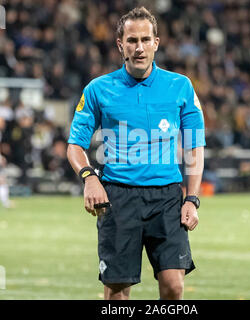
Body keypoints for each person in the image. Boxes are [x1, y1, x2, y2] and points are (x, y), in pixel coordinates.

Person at [67, 7, 205, 300]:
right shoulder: (98, 89)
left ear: (157, 42)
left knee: (174, 286)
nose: (139, 47)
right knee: (117, 292)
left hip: (167, 197)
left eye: (145, 39)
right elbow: (75, 145)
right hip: (117, 198)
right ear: (120, 45)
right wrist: (90, 178)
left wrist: (192, 199)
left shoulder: (180, 86)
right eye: (132, 40)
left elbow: (194, 145)